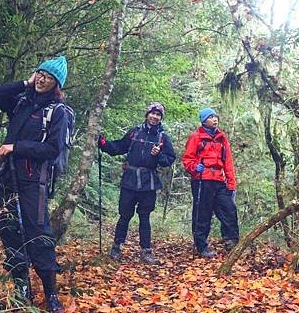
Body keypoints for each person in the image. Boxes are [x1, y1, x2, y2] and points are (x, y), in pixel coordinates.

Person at [0, 56, 68, 313]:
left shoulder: (56, 112)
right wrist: (25, 82)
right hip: (6, 177)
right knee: (9, 230)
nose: (42, 79)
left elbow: (52, 148)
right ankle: (22, 288)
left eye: (48, 77)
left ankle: (51, 294)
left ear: (56, 84)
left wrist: (17, 147)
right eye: (40, 73)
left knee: (39, 234)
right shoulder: (22, 102)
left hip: (34, 180)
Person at [98, 102, 176, 264]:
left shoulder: (163, 138)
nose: (154, 117)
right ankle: (116, 247)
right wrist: (103, 144)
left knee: (145, 216)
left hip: (149, 182)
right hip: (130, 179)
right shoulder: (135, 132)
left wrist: (158, 154)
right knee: (124, 215)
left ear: (161, 118)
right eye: (152, 113)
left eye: (158, 115)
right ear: (147, 114)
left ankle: (146, 251)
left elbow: (168, 160)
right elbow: (119, 147)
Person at [182, 108, 239, 258]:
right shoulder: (196, 137)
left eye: (215, 116)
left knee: (229, 209)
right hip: (202, 179)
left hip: (219, 180)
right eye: (211, 117)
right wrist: (195, 168)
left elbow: (228, 162)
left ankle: (232, 242)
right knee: (203, 213)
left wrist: (231, 183)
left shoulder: (222, 138)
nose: (215, 119)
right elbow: (187, 159)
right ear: (204, 120)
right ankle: (201, 245)